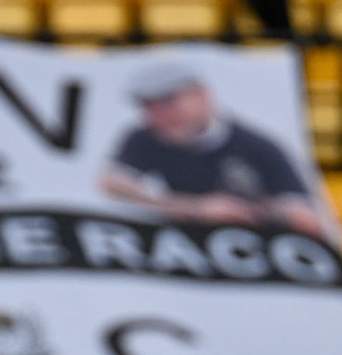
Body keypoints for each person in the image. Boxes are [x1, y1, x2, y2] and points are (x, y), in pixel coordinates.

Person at [98, 61, 325, 239]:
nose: (160, 115)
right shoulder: (145, 138)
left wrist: (246, 212)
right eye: (150, 107)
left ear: (202, 96)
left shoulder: (256, 146)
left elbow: (303, 213)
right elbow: (112, 182)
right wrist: (194, 208)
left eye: (169, 102)